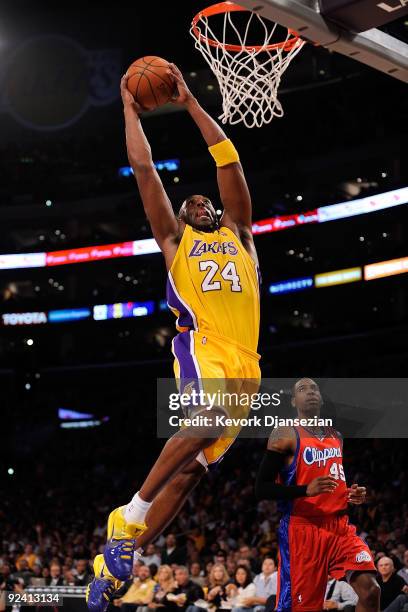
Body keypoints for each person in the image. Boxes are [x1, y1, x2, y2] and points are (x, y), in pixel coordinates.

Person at [87, 62, 261, 611]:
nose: (196, 203)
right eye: (188, 205)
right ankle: (129, 515)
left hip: (248, 365)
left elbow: (227, 158)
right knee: (201, 422)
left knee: (190, 477)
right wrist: (128, 111)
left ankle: (117, 563)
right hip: (201, 345)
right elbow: (145, 173)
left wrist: (190, 102)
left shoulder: (241, 234)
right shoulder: (173, 242)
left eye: (203, 201)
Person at [255, 378, 379, 612]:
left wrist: (350, 493)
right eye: (302, 389)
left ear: (320, 398)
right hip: (303, 531)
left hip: (339, 528)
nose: (310, 392)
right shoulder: (284, 433)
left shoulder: (336, 436)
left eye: (314, 388)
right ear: (294, 401)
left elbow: (333, 477)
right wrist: (304, 490)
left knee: (370, 591)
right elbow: (261, 488)